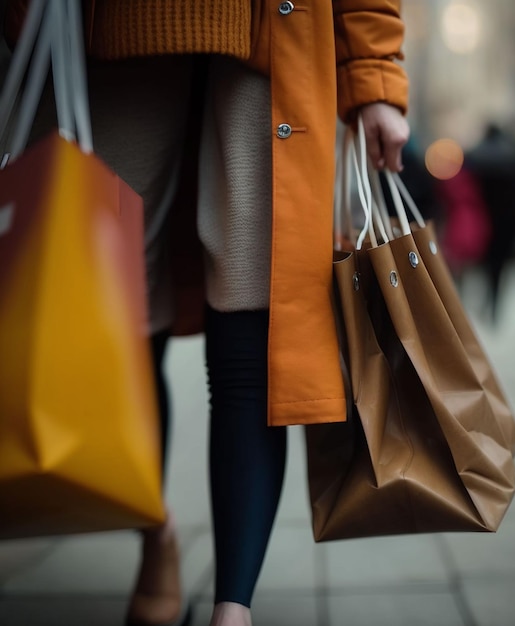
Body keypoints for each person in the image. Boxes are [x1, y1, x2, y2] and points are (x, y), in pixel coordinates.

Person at [3, 2, 410, 625]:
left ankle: (232, 610)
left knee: (253, 325)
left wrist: (375, 71)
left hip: (274, 30)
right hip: (116, 29)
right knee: (110, 319)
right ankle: (155, 531)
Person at [465, 123, 515, 324]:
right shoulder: (511, 156)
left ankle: (487, 300)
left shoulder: (475, 156)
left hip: (481, 219)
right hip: (506, 222)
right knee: (499, 266)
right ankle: (494, 303)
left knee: (485, 264)